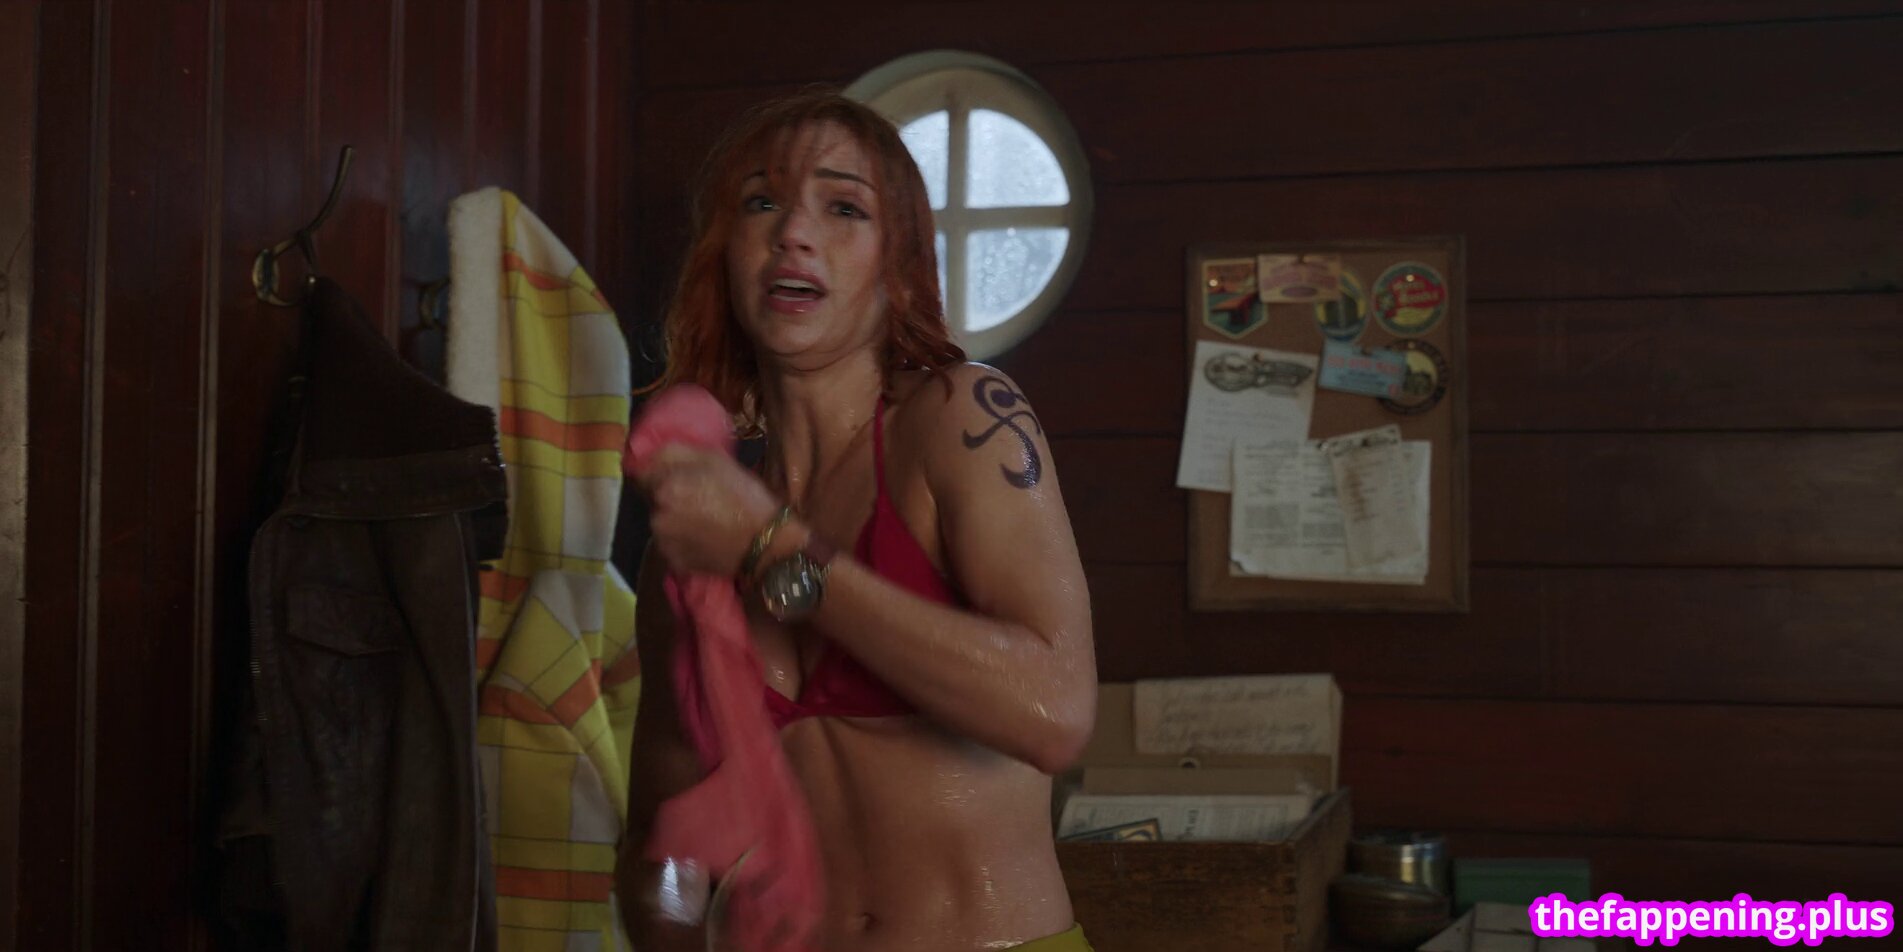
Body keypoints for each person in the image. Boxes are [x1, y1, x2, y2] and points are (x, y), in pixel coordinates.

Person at [616, 90, 1098, 952]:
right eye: (761, 203)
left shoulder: (959, 418)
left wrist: (772, 550)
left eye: (844, 208)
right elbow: (669, 837)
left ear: (898, 268)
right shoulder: (690, 546)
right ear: (725, 257)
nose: (794, 233)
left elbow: (1053, 712)